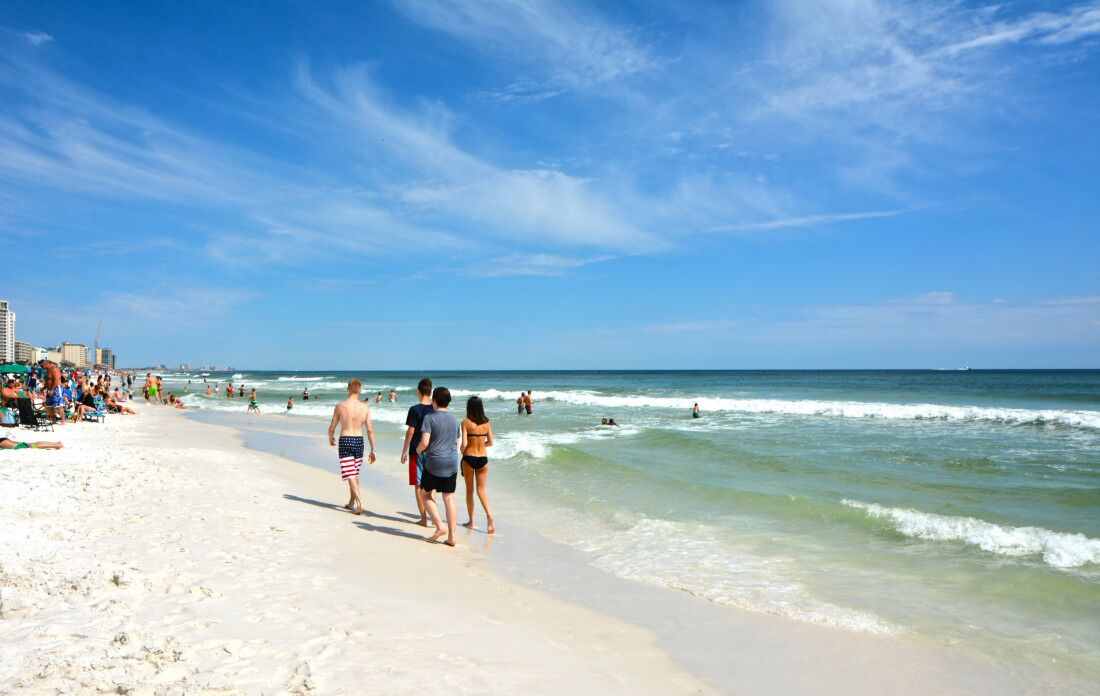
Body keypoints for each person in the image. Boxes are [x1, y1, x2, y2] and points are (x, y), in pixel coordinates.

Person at [416, 386, 460, 546]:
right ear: (448, 402)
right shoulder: (455, 420)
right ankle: (452, 538)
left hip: (435, 461)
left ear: (434, 401)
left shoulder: (430, 418)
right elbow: (457, 442)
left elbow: (425, 443)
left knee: (424, 494)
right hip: (452, 461)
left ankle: (440, 527)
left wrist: (418, 450)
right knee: (448, 497)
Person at [327, 378, 376, 515]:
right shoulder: (365, 408)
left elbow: (332, 428)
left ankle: (359, 503)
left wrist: (331, 438)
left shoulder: (340, 406)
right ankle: (351, 502)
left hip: (346, 440)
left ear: (348, 389)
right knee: (353, 473)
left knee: (350, 473)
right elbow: (370, 430)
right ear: (360, 390)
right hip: (359, 441)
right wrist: (373, 450)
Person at [460, 396, 495, 534]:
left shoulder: (465, 423)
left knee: (470, 491)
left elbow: (464, 445)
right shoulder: (487, 423)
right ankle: (490, 516)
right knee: (482, 491)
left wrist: (462, 450)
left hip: (469, 458)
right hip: (483, 459)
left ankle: (472, 522)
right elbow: (491, 442)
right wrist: (481, 444)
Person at [401, 378, 433, 526]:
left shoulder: (414, 409)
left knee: (418, 485)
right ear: (431, 391)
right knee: (430, 485)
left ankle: (424, 518)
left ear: (418, 392)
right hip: (432, 450)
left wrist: (404, 451)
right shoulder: (435, 409)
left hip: (416, 449)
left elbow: (410, 431)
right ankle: (433, 517)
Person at [39, 358, 65, 425]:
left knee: (59, 406)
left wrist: (52, 389)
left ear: (46, 363)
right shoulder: (47, 370)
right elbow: (48, 381)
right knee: (49, 406)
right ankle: (54, 421)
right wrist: (44, 388)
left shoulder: (54, 368)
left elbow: (56, 380)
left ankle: (63, 421)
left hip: (56, 389)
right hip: (49, 389)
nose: (42, 368)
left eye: (42, 366)